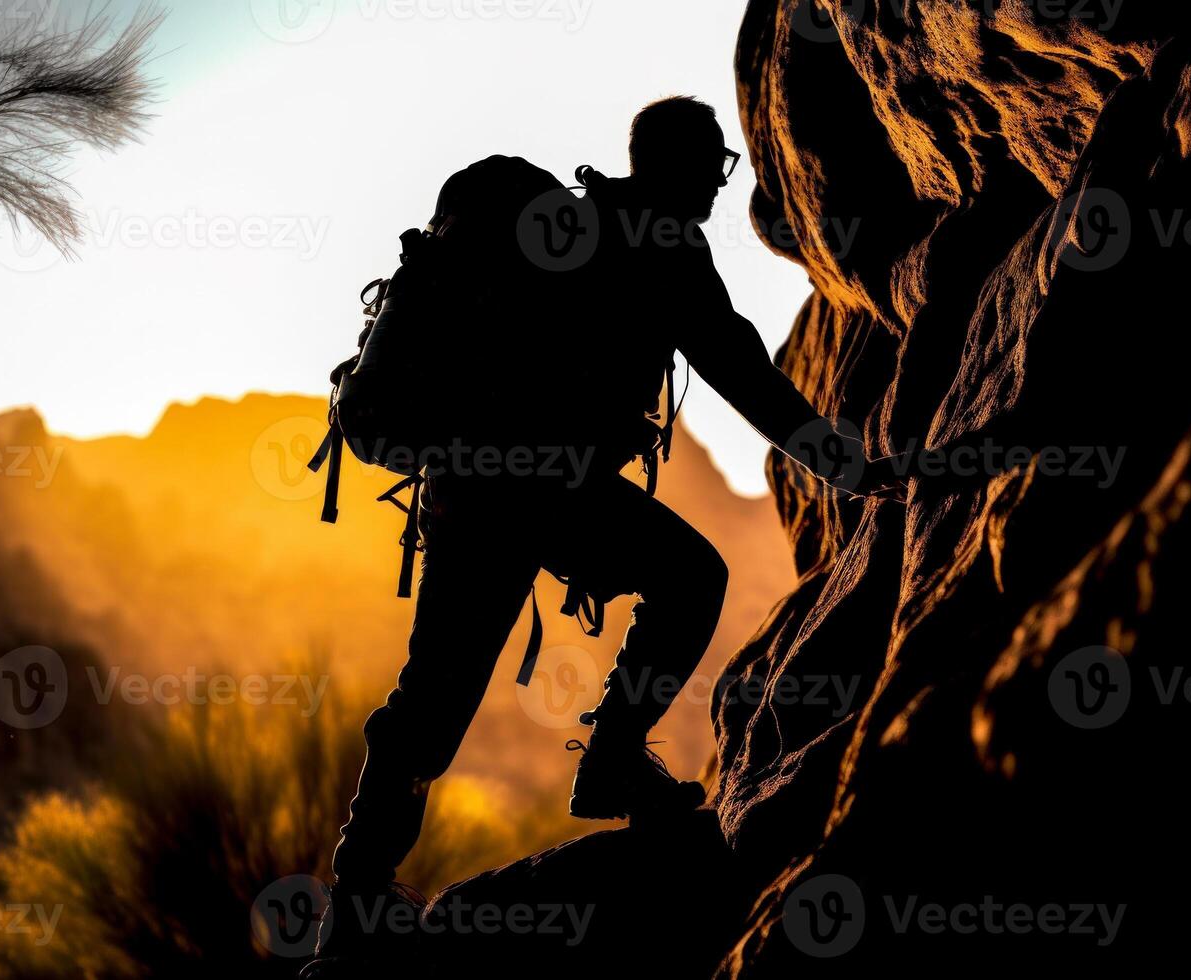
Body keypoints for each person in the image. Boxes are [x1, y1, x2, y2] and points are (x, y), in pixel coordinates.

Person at [307, 96, 886, 974]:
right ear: (681, 166)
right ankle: (612, 760)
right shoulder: (667, 249)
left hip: (473, 488)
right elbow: (738, 367)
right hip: (550, 492)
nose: (716, 189)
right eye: (713, 169)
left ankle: (353, 911)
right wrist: (841, 462)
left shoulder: (567, 224)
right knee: (689, 579)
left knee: (433, 699)